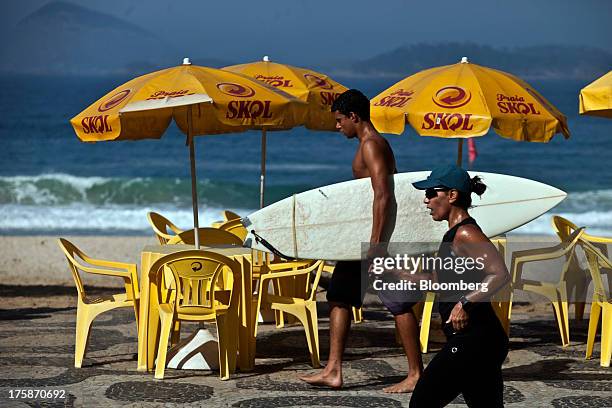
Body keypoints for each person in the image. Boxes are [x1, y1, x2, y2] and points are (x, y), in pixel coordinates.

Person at [299, 89, 424, 392]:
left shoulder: (371, 145)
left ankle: (416, 373)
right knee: (339, 298)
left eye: (340, 120)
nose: (337, 126)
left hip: (379, 237)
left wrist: (376, 246)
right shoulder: (368, 144)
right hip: (362, 236)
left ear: (354, 117)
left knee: (398, 302)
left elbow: (384, 195)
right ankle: (333, 370)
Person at [406, 164, 510, 407]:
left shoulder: (466, 233)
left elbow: (499, 274)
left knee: (421, 404)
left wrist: (464, 303)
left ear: (452, 195)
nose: (426, 200)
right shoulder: (451, 236)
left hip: (475, 340)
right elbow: (440, 283)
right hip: (481, 341)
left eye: (431, 193)